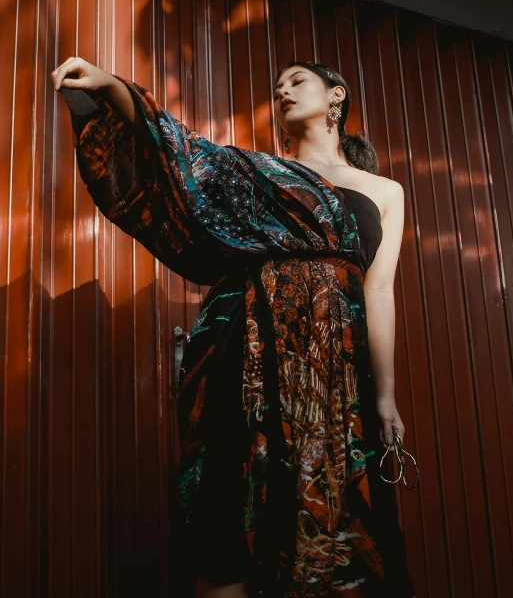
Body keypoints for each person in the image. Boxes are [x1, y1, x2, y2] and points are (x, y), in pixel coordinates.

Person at [51, 56, 416, 598]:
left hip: (330, 372)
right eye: (277, 87)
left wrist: (385, 397)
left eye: (298, 81)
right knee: (227, 500)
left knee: (333, 513)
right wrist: (112, 88)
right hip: (241, 348)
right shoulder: (253, 172)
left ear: (337, 96)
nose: (283, 91)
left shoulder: (384, 191)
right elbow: (180, 150)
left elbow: (378, 291)